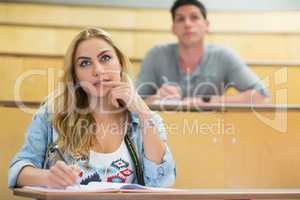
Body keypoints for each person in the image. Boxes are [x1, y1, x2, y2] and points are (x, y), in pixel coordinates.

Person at [8, 28, 176, 189]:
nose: (98, 70)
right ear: (75, 75)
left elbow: (161, 183)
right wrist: (48, 177)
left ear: (120, 64)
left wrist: (144, 113)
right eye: (85, 63)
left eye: (105, 58)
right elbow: (19, 170)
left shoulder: (145, 119)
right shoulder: (51, 115)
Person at [136, 0, 269, 105]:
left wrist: (206, 102)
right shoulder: (156, 55)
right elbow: (132, 101)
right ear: (173, 28)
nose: (187, 24)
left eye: (194, 17)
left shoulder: (224, 56)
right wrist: (156, 98)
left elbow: (261, 96)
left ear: (206, 25)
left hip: (213, 130)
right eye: (180, 19)